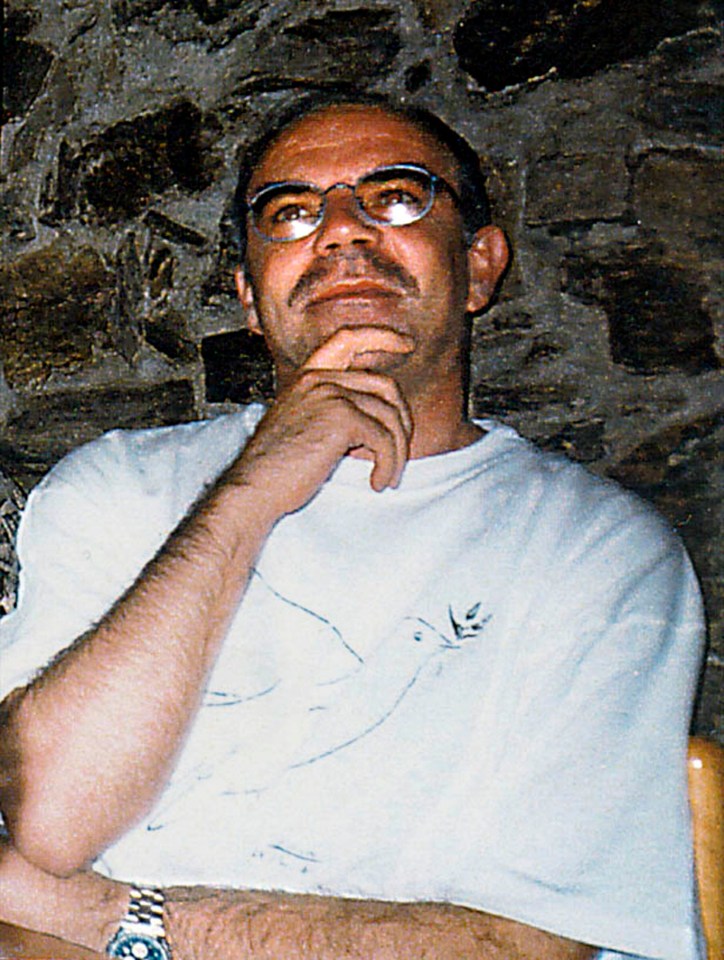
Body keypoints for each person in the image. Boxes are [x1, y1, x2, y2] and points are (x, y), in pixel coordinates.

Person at [0, 92, 706, 959]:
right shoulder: (112, 487)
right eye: (290, 214)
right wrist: (253, 486)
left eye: (396, 196)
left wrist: (112, 918)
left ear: (481, 267)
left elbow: (520, 946)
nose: (339, 231)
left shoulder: (599, 551)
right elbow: (56, 824)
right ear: (251, 298)